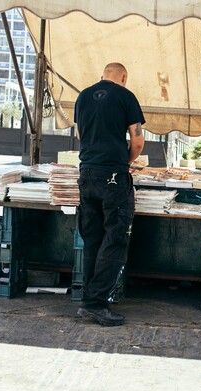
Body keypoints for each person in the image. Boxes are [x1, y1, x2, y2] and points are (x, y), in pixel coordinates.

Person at [74, 62, 145, 326]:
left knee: (92, 239)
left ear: (102, 74)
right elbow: (137, 141)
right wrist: (124, 161)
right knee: (115, 239)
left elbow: (81, 134)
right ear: (123, 77)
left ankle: (88, 300)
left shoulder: (82, 96)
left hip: (87, 175)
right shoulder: (125, 96)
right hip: (113, 177)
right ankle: (95, 304)